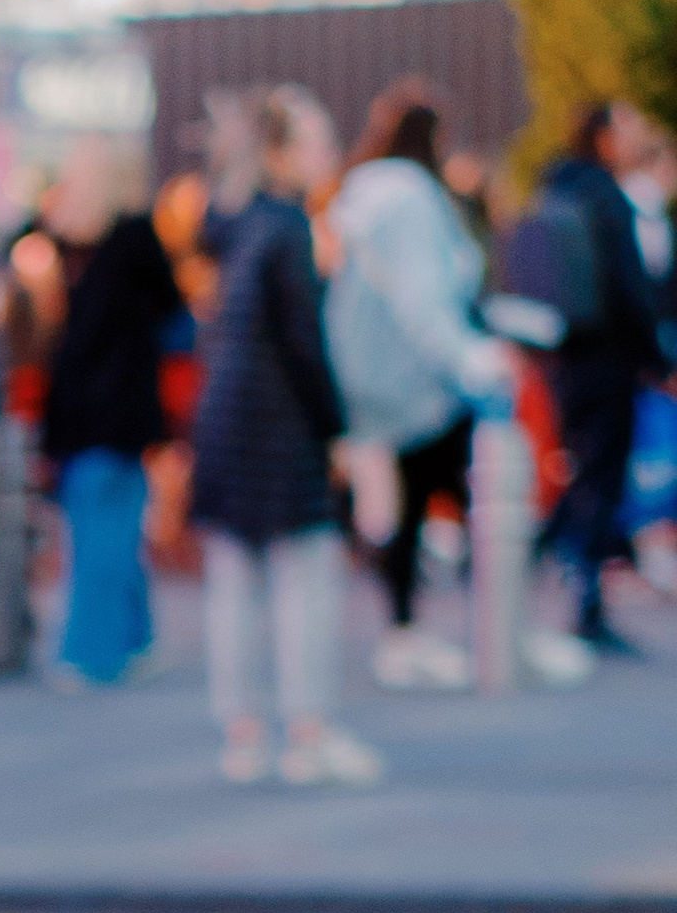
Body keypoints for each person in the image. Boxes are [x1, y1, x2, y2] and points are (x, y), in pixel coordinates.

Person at [191, 92, 376, 786]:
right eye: (316, 142)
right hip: (280, 422)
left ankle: (242, 734)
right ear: (283, 153)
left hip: (227, 416)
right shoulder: (288, 227)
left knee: (234, 582)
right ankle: (309, 730)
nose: (326, 156)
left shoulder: (236, 224)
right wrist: (336, 429)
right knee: (306, 578)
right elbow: (305, 340)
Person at [326, 83, 513, 692]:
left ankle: (407, 630)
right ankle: (487, 632)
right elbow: (425, 297)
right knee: (464, 500)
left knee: (401, 508)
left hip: (373, 381)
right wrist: (472, 360)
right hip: (423, 381)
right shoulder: (411, 200)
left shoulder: (359, 194)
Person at [513, 101, 670, 655]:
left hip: (561, 354)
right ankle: (583, 602)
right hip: (608, 359)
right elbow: (630, 287)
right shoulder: (607, 197)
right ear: (603, 137)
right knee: (600, 479)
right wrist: (657, 361)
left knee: (578, 469)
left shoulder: (554, 188)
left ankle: (554, 568)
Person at [26, 138, 185, 689]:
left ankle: (100, 647)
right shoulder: (116, 239)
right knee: (111, 531)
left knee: (98, 533)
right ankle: (118, 642)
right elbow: (173, 315)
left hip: (85, 410)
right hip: (115, 409)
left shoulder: (76, 244)